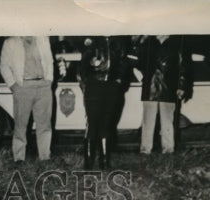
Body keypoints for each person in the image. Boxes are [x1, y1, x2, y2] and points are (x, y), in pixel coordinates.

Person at [0, 36, 55, 165]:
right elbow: (4, 66)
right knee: (20, 125)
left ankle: (45, 157)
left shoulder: (42, 38)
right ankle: (19, 158)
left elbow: (49, 61)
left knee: (45, 125)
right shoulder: (10, 42)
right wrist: (13, 85)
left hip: (43, 86)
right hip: (23, 86)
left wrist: (49, 80)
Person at [78, 36, 128, 169]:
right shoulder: (91, 40)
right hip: (94, 86)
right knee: (92, 122)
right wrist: (87, 82)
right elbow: (83, 66)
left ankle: (104, 162)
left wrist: (119, 81)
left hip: (112, 87)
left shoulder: (119, 42)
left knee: (107, 123)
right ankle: (88, 163)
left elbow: (124, 63)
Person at [136, 35, 190, 155]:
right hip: (150, 87)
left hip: (169, 87)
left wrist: (181, 86)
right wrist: (141, 41)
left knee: (167, 121)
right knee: (147, 121)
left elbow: (183, 67)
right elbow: (139, 62)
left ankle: (168, 150)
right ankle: (145, 150)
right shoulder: (147, 42)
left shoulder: (178, 43)